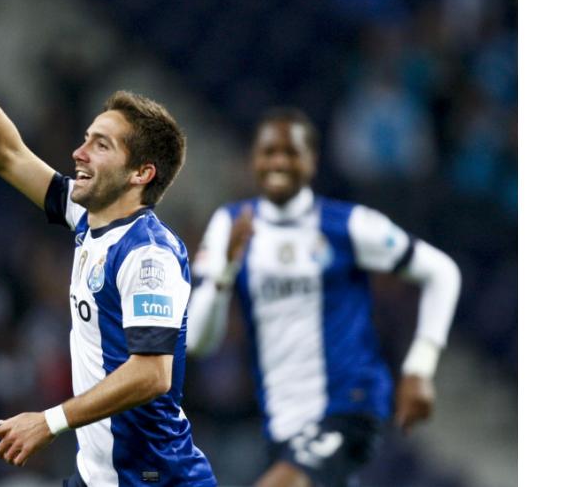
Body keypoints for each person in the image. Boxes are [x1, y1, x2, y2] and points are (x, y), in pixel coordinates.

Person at [0, 0, 217, 486]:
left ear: (141, 173)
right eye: (85, 139)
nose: (78, 153)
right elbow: (5, 153)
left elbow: (153, 373)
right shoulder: (87, 217)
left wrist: (51, 420)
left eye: (100, 145)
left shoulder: (148, 254)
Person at [185, 108, 462, 487]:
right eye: (269, 151)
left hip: (348, 405)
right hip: (281, 421)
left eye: (291, 152)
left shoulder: (346, 224)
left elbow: (441, 271)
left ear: (312, 161)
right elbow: (199, 342)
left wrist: (420, 366)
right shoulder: (231, 225)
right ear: (254, 160)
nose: (279, 161)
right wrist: (224, 275)